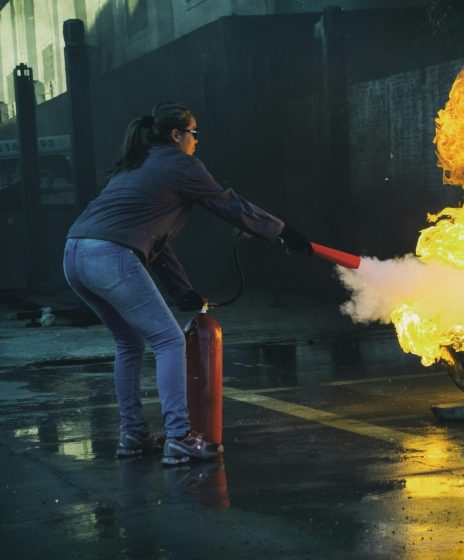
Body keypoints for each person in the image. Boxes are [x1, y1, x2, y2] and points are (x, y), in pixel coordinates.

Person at [63, 102, 312, 465]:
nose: (197, 141)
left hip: (75, 255)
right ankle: (179, 438)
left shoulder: (136, 164)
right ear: (176, 135)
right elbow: (229, 205)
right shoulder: (182, 165)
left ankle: (132, 434)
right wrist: (282, 231)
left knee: (128, 343)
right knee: (169, 340)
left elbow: (153, 240)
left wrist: (182, 290)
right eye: (194, 133)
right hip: (110, 255)